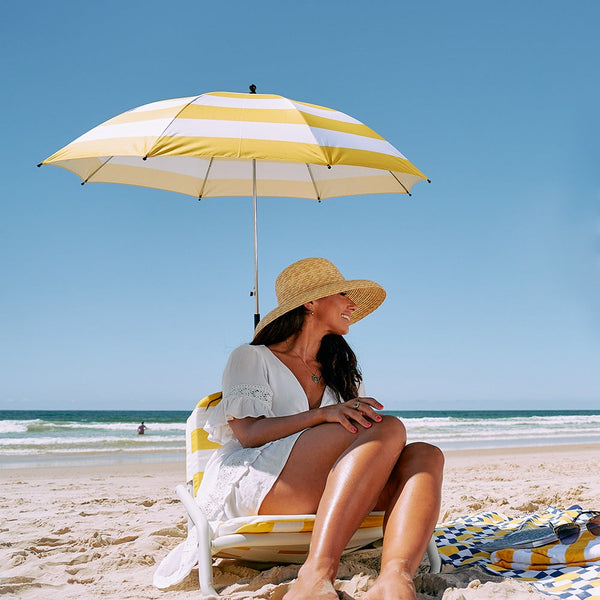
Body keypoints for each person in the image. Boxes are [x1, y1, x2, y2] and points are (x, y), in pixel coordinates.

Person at [197, 257, 444, 600]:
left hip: (329, 488)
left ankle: (395, 579)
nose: (352, 305)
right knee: (387, 427)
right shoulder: (251, 357)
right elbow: (248, 433)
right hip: (260, 484)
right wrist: (322, 415)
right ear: (310, 302)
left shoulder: (335, 369)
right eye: (342, 294)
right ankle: (314, 576)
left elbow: (357, 448)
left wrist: (335, 414)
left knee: (425, 455)